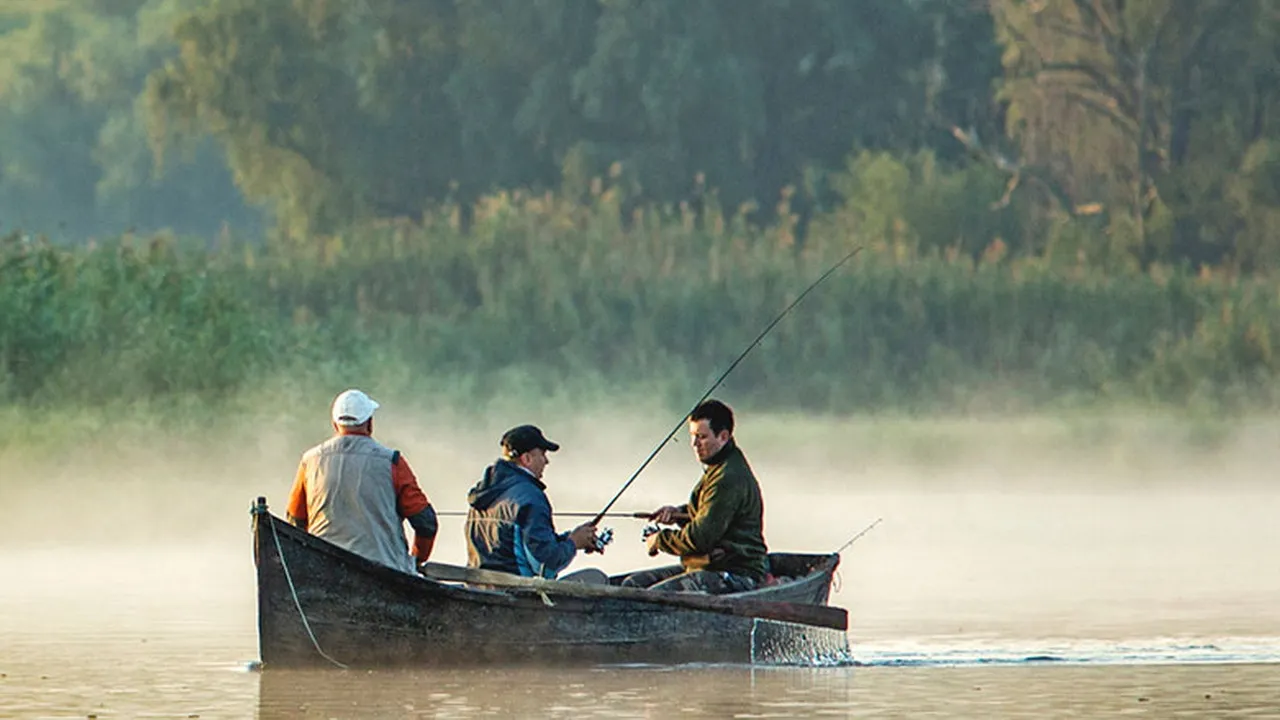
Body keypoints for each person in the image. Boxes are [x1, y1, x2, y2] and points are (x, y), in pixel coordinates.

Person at [623, 399, 768, 593]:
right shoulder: (719, 466)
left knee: (650, 596)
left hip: (737, 573)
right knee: (633, 585)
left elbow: (700, 538)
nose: (694, 444)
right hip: (709, 567)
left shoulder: (728, 477)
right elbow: (708, 511)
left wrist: (659, 540)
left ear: (723, 436)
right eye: (692, 436)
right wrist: (678, 513)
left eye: (702, 437)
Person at [286, 389, 438, 574]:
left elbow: (295, 520)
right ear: (369, 423)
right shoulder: (392, 461)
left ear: (335, 424)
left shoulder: (309, 461)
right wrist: (414, 560)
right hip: (387, 572)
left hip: (323, 570)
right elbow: (426, 522)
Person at [465, 424, 603, 581]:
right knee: (596, 578)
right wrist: (573, 544)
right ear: (527, 459)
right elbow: (545, 566)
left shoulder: (483, 493)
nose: (546, 461)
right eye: (543, 454)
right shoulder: (530, 498)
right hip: (517, 593)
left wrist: (570, 538)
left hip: (480, 586)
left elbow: (522, 546)